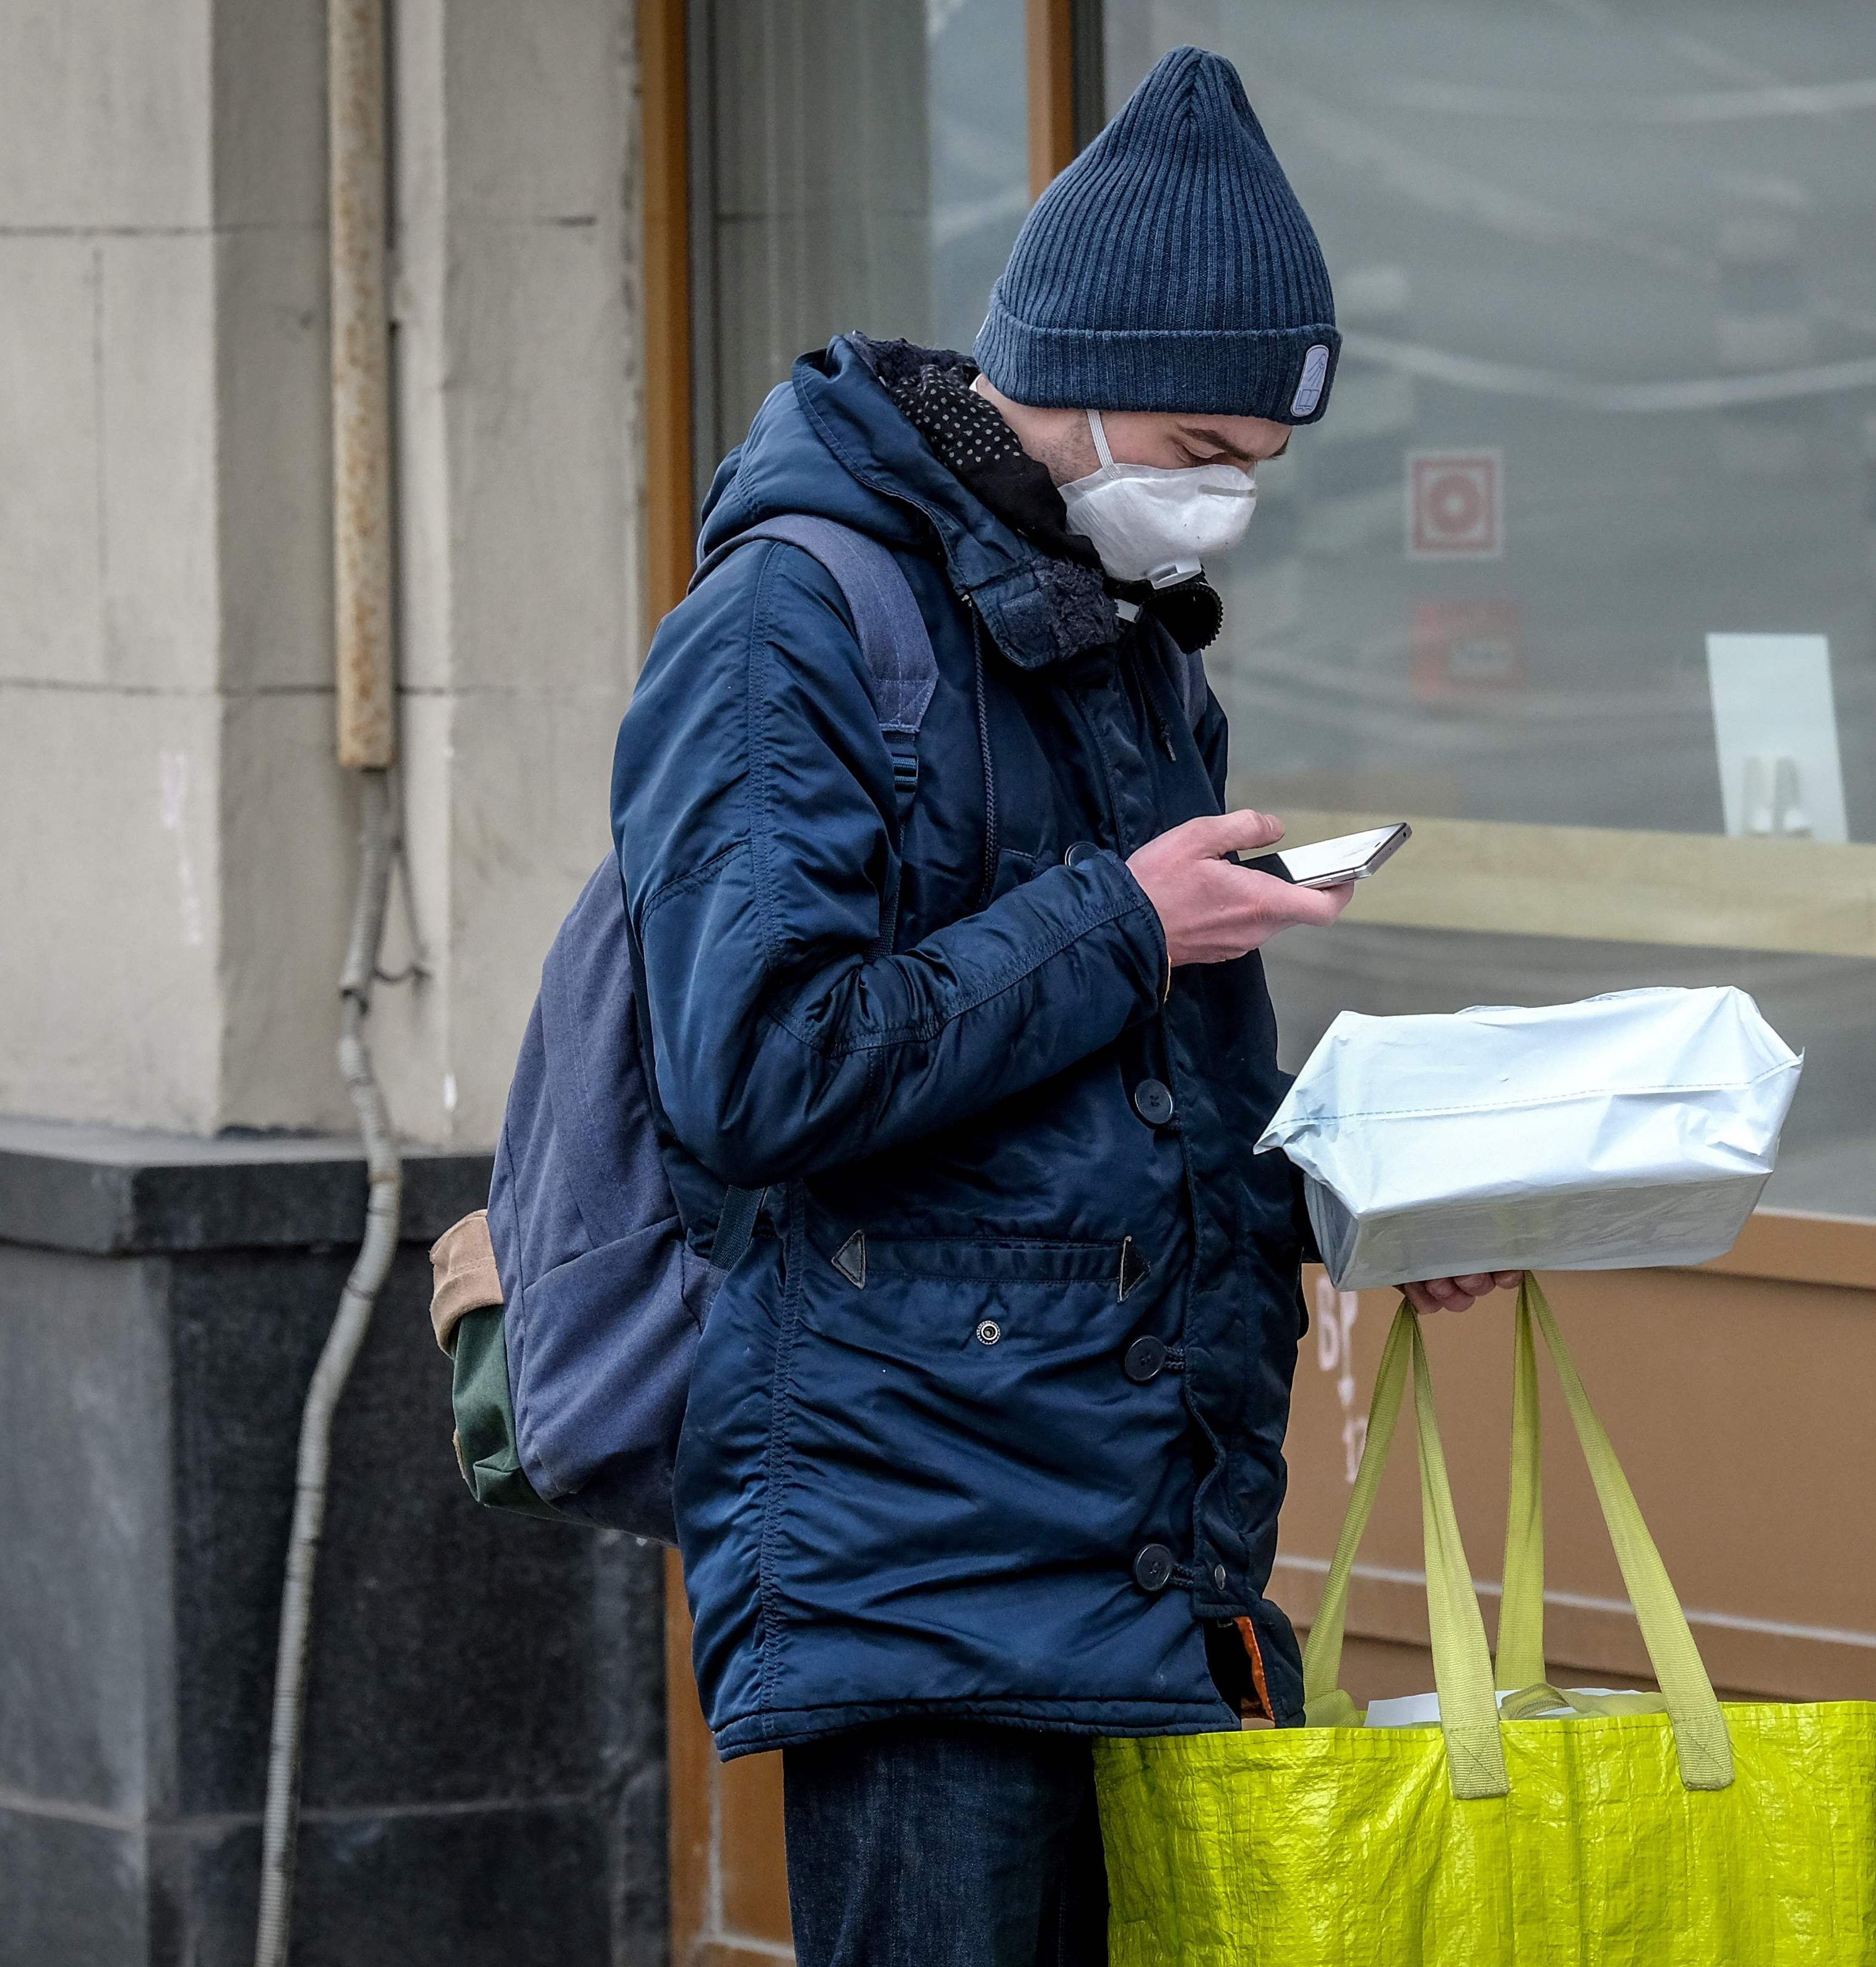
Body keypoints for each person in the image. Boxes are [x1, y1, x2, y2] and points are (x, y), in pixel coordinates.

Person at [612, 46, 1515, 1967]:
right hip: (923, 1572)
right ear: (1072, 379)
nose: (1225, 514)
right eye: (1203, 458)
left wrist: (1361, 1218)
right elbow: (755, 1068)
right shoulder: (790, 620)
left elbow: (1147, 1108)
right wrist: (1118, 919)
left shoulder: (1123, 642)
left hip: (1148, 1559)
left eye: (1260, 476)